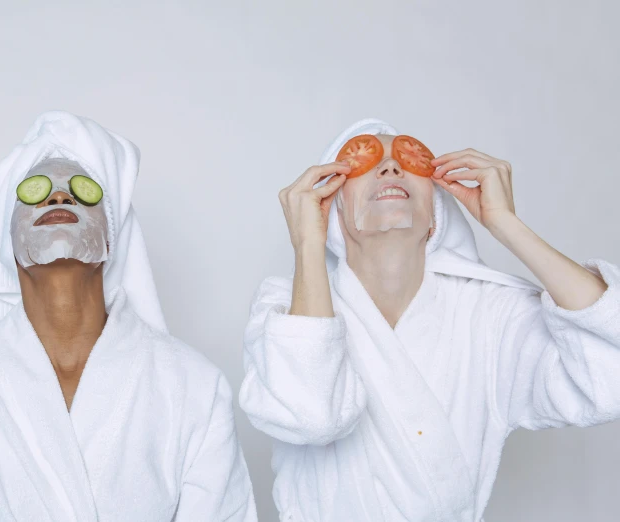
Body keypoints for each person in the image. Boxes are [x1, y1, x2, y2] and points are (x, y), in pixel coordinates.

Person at [0, 111, 257, 522]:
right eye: (37, 192)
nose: (58, 197)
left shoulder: (193, 388)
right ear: (6, 238)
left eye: (81, 191)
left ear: (111, 237)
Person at [239, 118, 620, 521]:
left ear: (436, 215)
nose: (389, 167)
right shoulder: (286, 307)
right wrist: (307, 245)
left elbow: (608, 376)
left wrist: (506, 224)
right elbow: (312, 417)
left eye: (409, 158)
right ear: (331, 211)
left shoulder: (489, 314)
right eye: (362, 160)